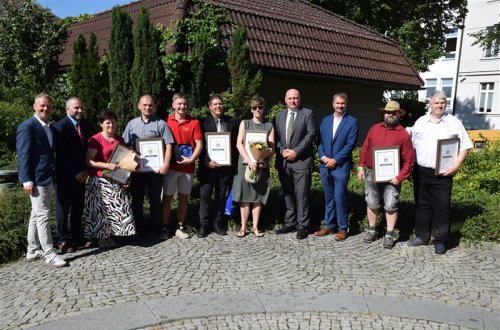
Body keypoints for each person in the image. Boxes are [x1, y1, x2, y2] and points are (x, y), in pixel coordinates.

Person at [409, 91, 472, 254]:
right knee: (422, 205)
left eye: (443, 103)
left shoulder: (454, 123)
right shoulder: (421, 122)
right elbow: (412, 146)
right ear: (430, 103)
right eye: (437, 103)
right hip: (421, 171)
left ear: (446, 104)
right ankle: (422, 236)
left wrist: (456, 165)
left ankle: (440, 240)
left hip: (444, 173)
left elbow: (465, 146)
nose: (440, 105)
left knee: (442, 207)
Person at [16, 93, 67, 267]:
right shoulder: (27, 127)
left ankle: (32, 249)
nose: (45, 109)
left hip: (48, 177)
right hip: (36, 179)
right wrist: (26, 180)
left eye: (48, 106)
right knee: (43, 215)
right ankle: (49, 253)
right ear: (34, 106)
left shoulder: (50, 128)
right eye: (42, 106)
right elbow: (23, 155)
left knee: (36, 214)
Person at [357, 101, 414, 249]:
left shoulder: (404, 135)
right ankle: (372, 230)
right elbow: (365, 148)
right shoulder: (374, 129)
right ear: (384, 113)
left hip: (392, 177)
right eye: (388, 112)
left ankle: (389, 234)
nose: (390, 115)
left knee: (391, 205)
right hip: (371, 172)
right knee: (372, 202)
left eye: (394, 113)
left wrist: (400, 177)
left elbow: (409, 160)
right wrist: (361, 166)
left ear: (399, 115)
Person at [123, 95, 174, 239]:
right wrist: (127, 167)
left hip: (155, 171)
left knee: (155, 201)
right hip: (137, 171)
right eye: (145, 105)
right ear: (139, 106)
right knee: (137, 201)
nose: (147, 107)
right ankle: (138, 229)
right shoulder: (131, 124)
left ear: (154, 107)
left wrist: (166, 164)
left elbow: (169, 145)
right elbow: (125, 146)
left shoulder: (161, 124)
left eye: (150, 105)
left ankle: (155, 229)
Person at [84, 110, 136, 248]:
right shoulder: (95, 139)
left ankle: (111, 234)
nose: (111, 125)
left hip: (116, 179)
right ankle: (101, 238)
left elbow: (125, 161)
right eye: (108, 122)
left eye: (113, 122)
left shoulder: (119, 139)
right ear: (101, 124)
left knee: (116, 208)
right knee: (100, 210)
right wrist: (108, 165)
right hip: (99, 179)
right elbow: (89, 161)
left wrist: (126, 178)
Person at [273, 89, 317, 239]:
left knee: (302, 195)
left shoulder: (308, 113)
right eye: (290, 98)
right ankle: (289, 222)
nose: (293, 101)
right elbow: (274, 137)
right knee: (288, 193)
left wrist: (296, 151)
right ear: (285, 100)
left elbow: (311, 134)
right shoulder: (279, 116)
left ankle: (302, 225)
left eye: (295, 98)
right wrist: (281, 150)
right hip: (284, 161)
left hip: (301, 161)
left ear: (299, 99)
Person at [315, 92, 358, 241]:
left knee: (340, 196)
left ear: (346, 104)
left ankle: (342, 228)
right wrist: (323, 157)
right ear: (333, 104)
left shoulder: (352, 122)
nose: (340, 106)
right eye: (337, 103)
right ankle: (329, 225)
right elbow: (319, 142)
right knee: (329, 197)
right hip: (325, 165)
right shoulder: (325, 121)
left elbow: (350, 145)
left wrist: (336, 160)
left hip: (341, 166)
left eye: (343, 103)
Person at [160, 93, 203, 239]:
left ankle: (180, 227)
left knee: (184, 198)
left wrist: (192, 159)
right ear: (173, 105)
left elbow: (199, 144)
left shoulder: (194, 122)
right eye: (179, 103)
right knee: (167, 198)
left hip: (187, 168)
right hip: (171, 168)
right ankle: (164, 227)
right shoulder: (166, 121)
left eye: (184, 103)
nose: (182, 106)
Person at [232, 96, 275, 237]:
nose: (258, 110)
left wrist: (262, 159)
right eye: (255, 107)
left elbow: (271, 148)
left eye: (260, 107)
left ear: (263, 109)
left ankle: (256, 227)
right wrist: (249, 160)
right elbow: (239, 143)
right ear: (251, 109)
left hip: (261, 165)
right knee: (245, 197)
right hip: (245, 165)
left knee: (258, 197)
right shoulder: (245, 123)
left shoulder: (269, 126)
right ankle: (243, 227)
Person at [198, 95, 239, 238]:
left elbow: (235, 146)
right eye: (215, 104)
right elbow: (199, 146)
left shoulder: (232, 122)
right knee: (205, 197)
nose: (218, 106)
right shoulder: (202, 123)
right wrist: (206, 161)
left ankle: (218, 224)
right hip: (207, 167)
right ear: (210, 106)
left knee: (221, 197)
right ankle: (203, 225)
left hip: (225, 168)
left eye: (220, 104)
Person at [54, 97, 91, 254]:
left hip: (81, 175)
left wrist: (85, 171)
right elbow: (60, 155)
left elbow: (86, 150)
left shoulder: (85, 125)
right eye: (76, 108)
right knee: (64, 208)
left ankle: (77, 237)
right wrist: (74, 173)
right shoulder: (60, 127)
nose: (80, 111)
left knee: (78, 207)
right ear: (67, 109)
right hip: (65, 176)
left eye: (81, 108)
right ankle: (62, 240)